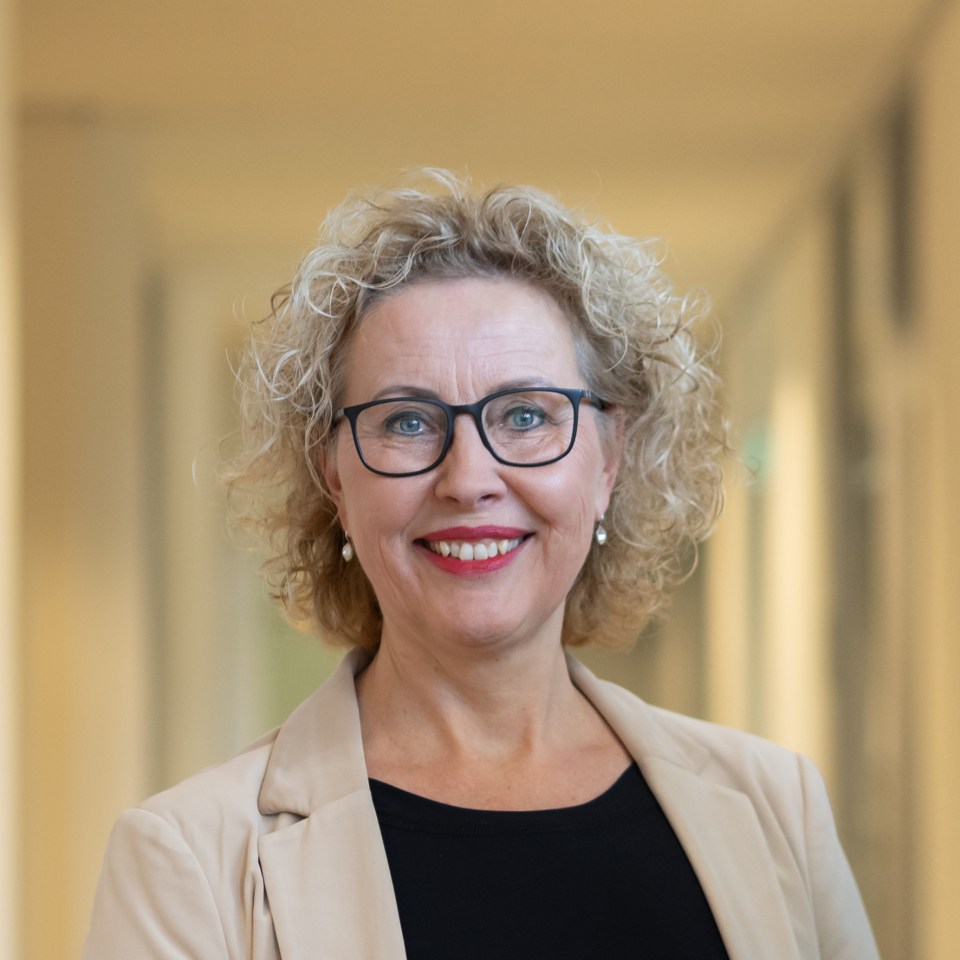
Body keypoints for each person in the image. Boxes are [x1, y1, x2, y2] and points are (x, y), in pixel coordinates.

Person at [82, 172, 879, 960]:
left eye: (526, 415)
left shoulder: (778, 811)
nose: (467, 479)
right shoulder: (189, 861)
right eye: (407, 421)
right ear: (335, 481)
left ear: (608, 461)